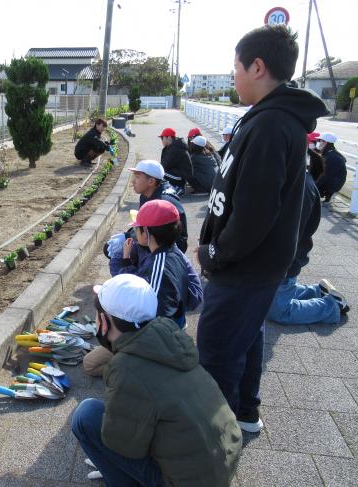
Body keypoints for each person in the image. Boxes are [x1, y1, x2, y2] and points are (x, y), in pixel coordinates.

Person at [196, 25, 329, 433]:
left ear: (257, 66)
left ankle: (208, 449)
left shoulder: (273, 125)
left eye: (235, 67)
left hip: (243, 268)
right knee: (247, 338)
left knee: (216, 352)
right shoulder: (270, 119)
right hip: (252, 268)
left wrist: (215, 253)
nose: (233, 76)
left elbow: (255, 213)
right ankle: (244, 413)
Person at [72, 274, 242, 487]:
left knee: (86, 415)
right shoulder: (171, 339)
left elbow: (122, 445)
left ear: (104, 322)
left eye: (97, 316)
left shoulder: (127, 367)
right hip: (221, 463)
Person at [88, 199, 202, 377]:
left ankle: (147, 370)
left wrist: (121, 336)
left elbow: (152, 320)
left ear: (147, 232)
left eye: (137, 229)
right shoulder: (173, 252)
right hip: (175, 321)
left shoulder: (158, 266)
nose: (133, 234)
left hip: (160, 338)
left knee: (90, 364)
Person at [267, 173, 350, 325]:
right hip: (276, 261)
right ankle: (316, 291)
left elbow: (289, 237)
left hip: (284, 264)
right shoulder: (295, 178)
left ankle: (332, 305)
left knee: (279, 311)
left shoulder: (299, 188)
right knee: (262, 298)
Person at [314, 132, 347, 203]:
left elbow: (325, 175)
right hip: (332, 180)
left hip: (333, 184)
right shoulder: (330, 153)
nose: (318, 142)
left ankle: (329, 196)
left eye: (320, 141)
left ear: (326, 143)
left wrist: (313, 187)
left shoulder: (332, 157)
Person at [159, 128, 192, 193]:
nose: (161, 140)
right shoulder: (174, 146)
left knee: (158, 172)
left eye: (162, 138)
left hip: (181, 176)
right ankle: (172, 186)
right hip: (179, 174)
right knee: (158, 172)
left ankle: (178, 187)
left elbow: (164, 165)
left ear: (168, 137)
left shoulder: (175, 148)